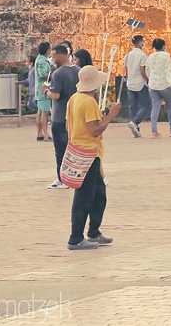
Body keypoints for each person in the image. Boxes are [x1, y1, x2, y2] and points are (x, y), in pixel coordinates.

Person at [65, 65, 120, 250]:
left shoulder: (74, 99)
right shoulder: (88, 102)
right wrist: (111, 116)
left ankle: (94, 231)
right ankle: (76, 237)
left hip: (82, 151)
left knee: (98, 194)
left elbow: (70, 125)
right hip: (87, 153)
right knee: (84, 196)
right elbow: (94, 130)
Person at [46, 44, 80, 188]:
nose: (52, 59)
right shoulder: (78, 70)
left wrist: (46, 91)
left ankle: (62, 179)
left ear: (61, 55)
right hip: (75, 116)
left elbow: (55, 95)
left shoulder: (58, 74)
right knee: (74, 149)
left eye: (53, 56)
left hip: (60, 117)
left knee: (60, 150)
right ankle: (75, 177)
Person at [145, 38, 171, 138]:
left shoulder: (150, 56)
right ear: (164, 46)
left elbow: (147, 70)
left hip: (153, 85)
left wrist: (151, 79)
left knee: (155, 107)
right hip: (165, 84)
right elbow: (168, 69)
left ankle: (154, 131)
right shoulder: (166, 55)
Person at [123, 35, 149, 137]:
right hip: (141, 83)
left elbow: (127, 70)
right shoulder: (143, 56)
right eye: (143, 42)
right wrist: (148, 80)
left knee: (133, 107)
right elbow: (142, 71)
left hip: (130, 83)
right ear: (140, 43)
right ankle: (135, 122)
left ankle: (135, 127)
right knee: (146, 105)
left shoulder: (127, 56)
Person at [33, 42, 53, 141]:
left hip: (39, 89)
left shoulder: (39, 59)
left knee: (40, 112)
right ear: (47, 50)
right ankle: (46, 134)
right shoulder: (43, 61)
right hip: (44, 89)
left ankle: (40, 133)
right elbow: (43, 74)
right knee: (45, 113)